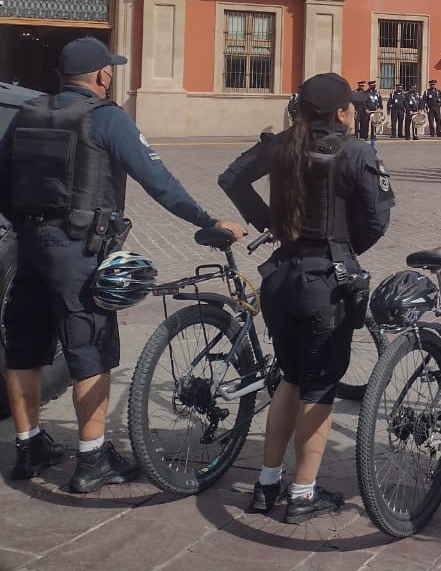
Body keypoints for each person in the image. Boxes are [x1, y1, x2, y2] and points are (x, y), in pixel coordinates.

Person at [2, 37, 246, 490]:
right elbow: (158, 180)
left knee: (23, 348)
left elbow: (3, 181)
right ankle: (93, 459)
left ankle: (29, 445)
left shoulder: (27, 114)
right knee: (90, 352)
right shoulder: (106, 118)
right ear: (101, 76)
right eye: (109, 70)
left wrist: (28, 226)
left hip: (31, 246)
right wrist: (209, 219)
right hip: (79, 251)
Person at [219, 72, 393, 524]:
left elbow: (232, 178)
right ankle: (301, 494)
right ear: (340, 112)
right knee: (318, 390)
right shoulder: (355, 152)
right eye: (351, 107)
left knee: (290, 379)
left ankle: (266, 482)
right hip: (323, 283)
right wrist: (342, 248)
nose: (355, 113)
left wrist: (268, 222)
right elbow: (375, 221)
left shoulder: (282, 144)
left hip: (281, 277)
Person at [365, 80, 384, 148]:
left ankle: (373, 135)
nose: (374, 87)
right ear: (369, 86)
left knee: (374, 123)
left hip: (375, 110)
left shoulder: (377, 92)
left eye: (374, 85)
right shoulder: (366, 93)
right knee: (366, 123)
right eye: (372, 85)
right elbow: (363, 102)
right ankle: (366, 136)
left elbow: (380, 100)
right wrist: (365, 109)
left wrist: (380, 107)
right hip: (368, 111)